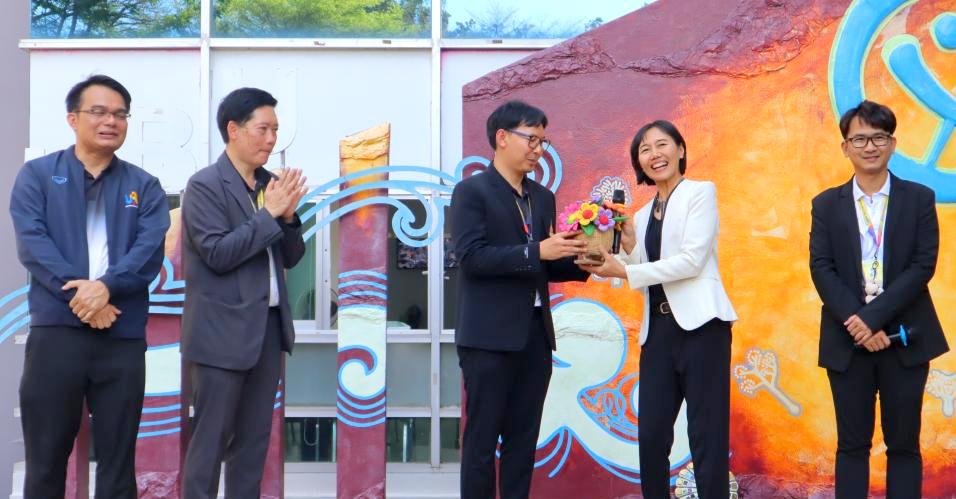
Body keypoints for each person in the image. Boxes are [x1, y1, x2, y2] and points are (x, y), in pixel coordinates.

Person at [10, 74, 170, 498]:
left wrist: (106, 288)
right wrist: (85, 296)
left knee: (118, 463)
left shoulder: (144, 186)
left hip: (121, 336)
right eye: (99, 112)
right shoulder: (38, 176)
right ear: (73, 118)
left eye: (120, 114)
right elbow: (34, 245)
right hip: (56, 334)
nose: (111, 121)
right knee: (46, 461)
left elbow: (148, 252)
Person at [580, 120, 736, 499]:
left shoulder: (700, 192)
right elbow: (647, 270)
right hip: (658, 332)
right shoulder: (641, 214)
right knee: (651, 435)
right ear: (639, 162)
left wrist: (626, 269)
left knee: (706, 435)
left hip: (703, 329)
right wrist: (627, 249)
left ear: (680, 150)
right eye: (645, 149)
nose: (654, 154)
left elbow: (691, 262)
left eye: (662, 144)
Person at [809, 100, 948, 498]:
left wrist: (872, 320)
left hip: (905, 338)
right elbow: (821, 267)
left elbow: (922, 265)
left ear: (892, 144)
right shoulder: (826, 204)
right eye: (859, 139)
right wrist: (858, 322)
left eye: (878, 138)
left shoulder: (919, 198)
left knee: (903, 445)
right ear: (845, 147)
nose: (869, 147)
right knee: (852, 445)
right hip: (847, 340)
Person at [451, 100, 590, 499]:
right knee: (481, 443)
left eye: (543, 142)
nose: (538, 149)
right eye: (532, 139)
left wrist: (581, 262)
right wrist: (537, 251)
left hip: (535, 337)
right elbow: (472, 258)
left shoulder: (541, 197)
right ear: (502, 137)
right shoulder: (471, 191)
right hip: (488, 339)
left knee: (523, 442)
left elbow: (542, 265)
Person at [180, 87, 307, 498]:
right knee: (209, 443)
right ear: (233, 130)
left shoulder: (271, 185)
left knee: (253, 445)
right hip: (220, 334)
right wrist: (270, 214)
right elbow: (218, 253)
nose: (271, 139)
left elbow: (291, 257)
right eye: (263, 129)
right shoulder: (205, 185)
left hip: (266, 330)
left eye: (276, 130)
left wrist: (289, 219)